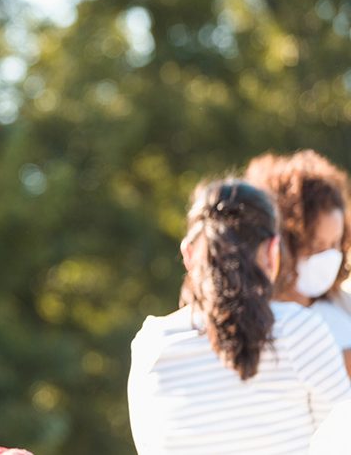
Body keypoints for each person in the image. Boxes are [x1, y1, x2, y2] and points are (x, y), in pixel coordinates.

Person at [128, 179, 351, 454]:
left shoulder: (150, 345)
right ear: (272, 252)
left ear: (188, 254)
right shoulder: (299, 330)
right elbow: (342, 438)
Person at [245, 150, 351, 374]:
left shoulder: (343, 305)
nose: (328, 257)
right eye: (315, 246)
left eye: (335, 244)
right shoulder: (254, 320)